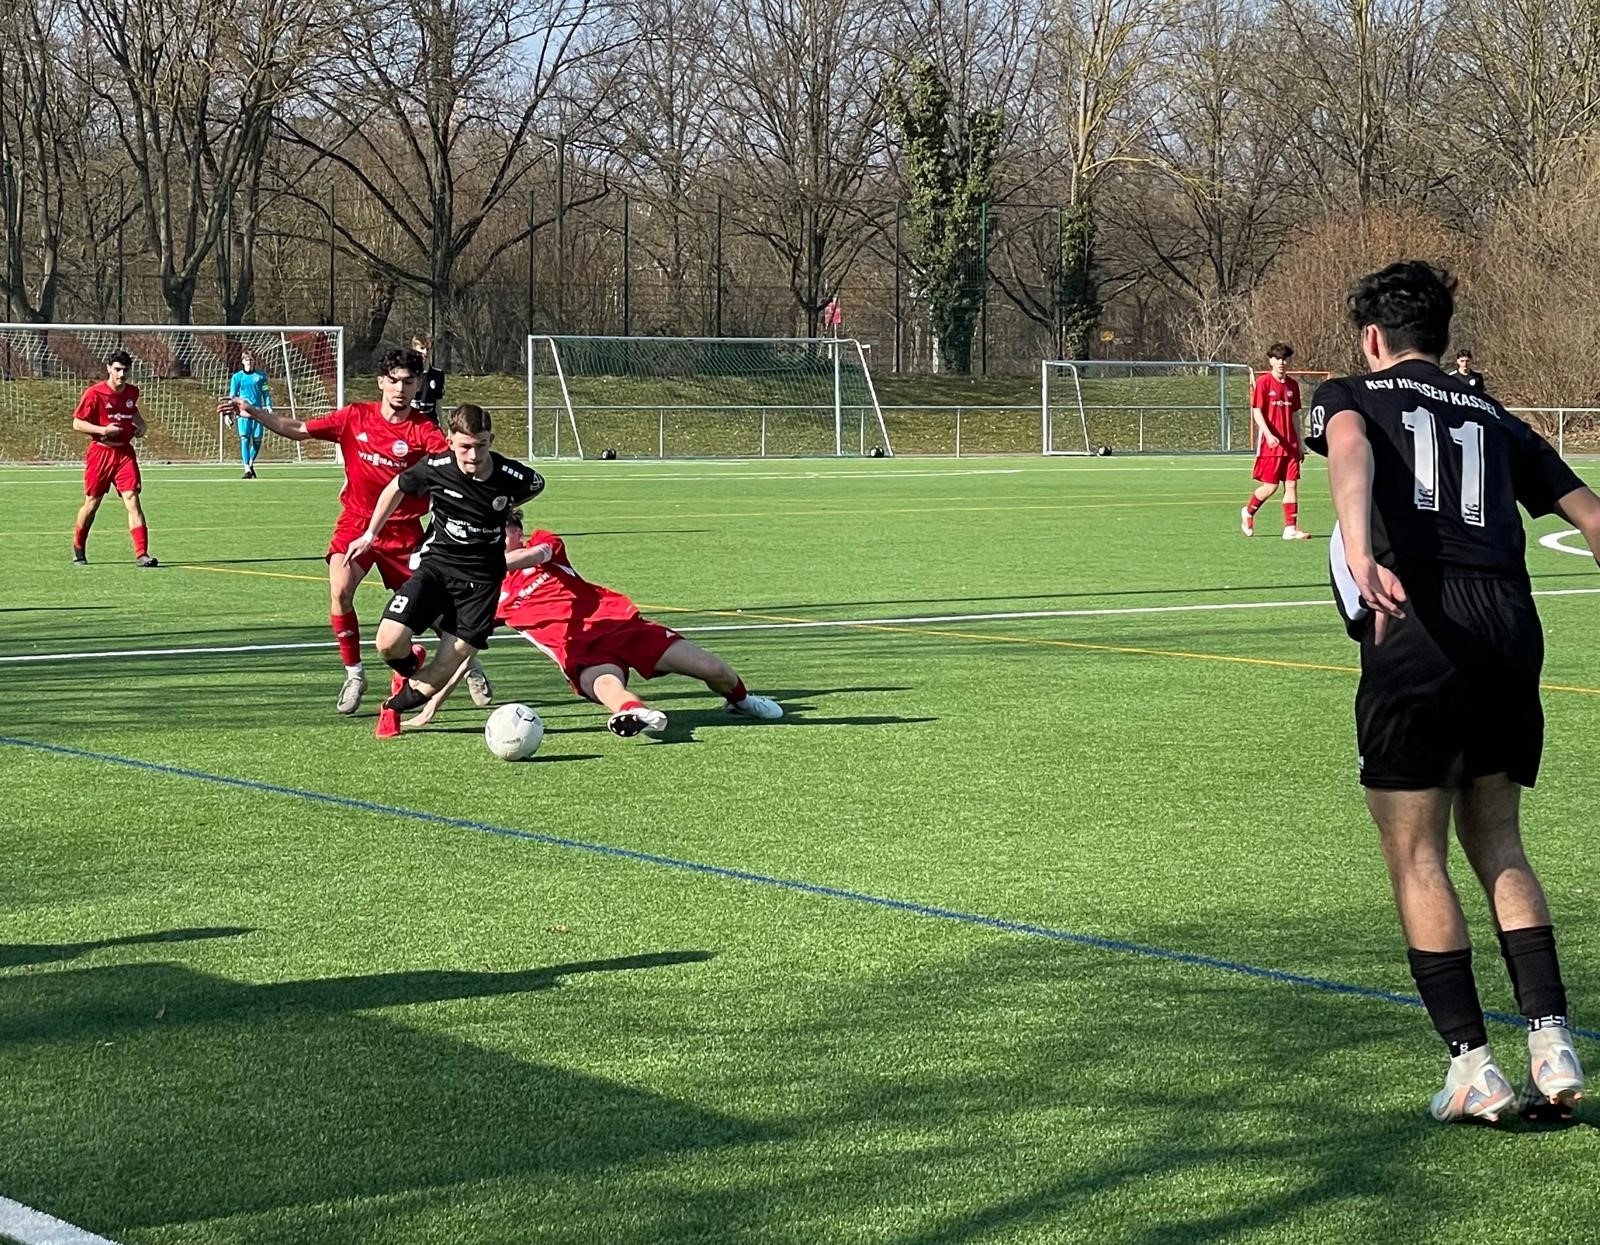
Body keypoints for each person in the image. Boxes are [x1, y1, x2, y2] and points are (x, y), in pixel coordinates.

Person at [1306, 260, 1600, 1123]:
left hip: (1419, 618)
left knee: (1417, 852)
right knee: (1500, 838)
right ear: (1440, 336)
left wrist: (1361, 549)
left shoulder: (1351, 393)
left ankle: (1473, 1064)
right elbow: (1592, 514)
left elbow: (1349, 451)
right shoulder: (1494, 413)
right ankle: (1552, 1042)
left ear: (1372, 338)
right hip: (1509, 623)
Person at [222, 347, 461, 715]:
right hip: (356, 523)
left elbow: (451, 466)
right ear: (381, 382)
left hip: (403, 533)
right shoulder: (355, 416)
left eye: (408, 382)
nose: (400, 389)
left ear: (417, 386)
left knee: (434, 615)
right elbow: (299, 430)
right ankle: (354, 674)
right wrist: (252, 411)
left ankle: (467, 664)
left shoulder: (423, 430)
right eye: (394, 381)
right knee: (340, 590)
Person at [404, 513, 783, 737]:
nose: (500, 539)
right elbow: (461, 655)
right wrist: (432, 706)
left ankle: (741, 701)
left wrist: (488, 565)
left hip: (621, 625)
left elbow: (539, 554)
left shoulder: (543, 544)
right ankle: (633, 712)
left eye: (505, 530)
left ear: (518, 530)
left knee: (713, 669)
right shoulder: (488, 597)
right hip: (580, 651)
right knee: (605, 685)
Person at [345, 404, 545, 739]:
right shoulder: (435, 467)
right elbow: (397, 486)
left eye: (481, 445)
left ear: (491, 440)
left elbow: (536, 485)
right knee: (387, 643)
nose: (474, 455)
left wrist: (500, 507)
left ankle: (392, 708)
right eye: (465, 446)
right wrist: (369, 534)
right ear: (450, 441)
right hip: (436, 569)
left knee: (445, 667)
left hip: (482, 583)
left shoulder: (511, 475)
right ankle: (410, 662)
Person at [71, 348, 157, 567]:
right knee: (92, 503)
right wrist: (103, 430)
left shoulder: (132, 392)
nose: (121, 374)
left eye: (125, 370)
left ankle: (142, 554)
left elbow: (132, 411)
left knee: (133, 499)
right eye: (117, 369)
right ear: (109, 368)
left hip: (124, 454)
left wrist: (142, 426)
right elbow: (77, 423)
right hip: (100, 453)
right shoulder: (94, 393)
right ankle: (78, 547)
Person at [1242, 342, 1310, 539]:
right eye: (1278, 358)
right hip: (1271, 445)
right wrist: (1269, 434)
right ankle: (1248, 512)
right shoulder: (1263, 383)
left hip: (1291, 444)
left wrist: (1299, 442)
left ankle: (1290, 528)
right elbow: (1257, 411)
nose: (1281, 362)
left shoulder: (1293, 386)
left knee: (1291, 485)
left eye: (1285, 359)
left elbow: (1295, 415)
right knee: (1271, 487)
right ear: (1271, 360)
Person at [225, 348, 272, 478]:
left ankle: (250, 463)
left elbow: (266, 392)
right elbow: (233, 396)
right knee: (245, 438)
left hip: (257, 412)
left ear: (254, 361)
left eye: (251, 360)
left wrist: (269, 406)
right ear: (242, 361)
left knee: (257, 440)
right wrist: (228, 413)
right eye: (247, 360)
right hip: (243, 412)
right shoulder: (237, 377)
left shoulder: (261, 376)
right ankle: (246, 468)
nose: (249, 362)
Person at [410, 334, 446, 425]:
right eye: (422, 348)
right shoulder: (409, 374)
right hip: (412, 423)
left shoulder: (438, 374)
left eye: (428, 349)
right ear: (414, 349)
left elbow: (438, 402)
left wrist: (441, 424)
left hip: (430, 423)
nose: (425, 352)